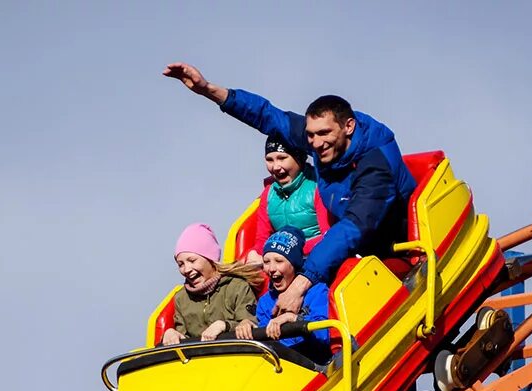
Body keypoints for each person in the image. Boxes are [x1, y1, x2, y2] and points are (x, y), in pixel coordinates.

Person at [163, 61, 416, 317]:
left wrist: (301, 282)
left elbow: (354, 227)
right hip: (348, 244)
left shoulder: (376, 165)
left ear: (348, 127)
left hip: (391, 247)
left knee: (320, 284)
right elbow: (268, 116)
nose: (316, 144)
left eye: (324, 133)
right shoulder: (321, 142)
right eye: (311, 135)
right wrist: (208, 89)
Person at [235, 227, 331, 363]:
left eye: (279, 261)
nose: (271, 269)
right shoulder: (265, 302)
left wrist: (293, 318)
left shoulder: (317, 292)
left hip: (313, 365)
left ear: (294, 264)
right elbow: (265, 342)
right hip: (280, 365)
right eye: (266, 262)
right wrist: (247, 325)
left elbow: (324, 336)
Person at [161, 223, 263, 346]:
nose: (186, 269)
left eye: (192, 261)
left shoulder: (236, 287)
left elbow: (250, 324)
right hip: (200, 361)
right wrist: (171, 334)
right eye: (180, 264)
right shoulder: (181, 298)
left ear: (210, 258)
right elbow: (184, 341)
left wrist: (224, 326)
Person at [245, 134, 329, 266]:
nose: (275, 167)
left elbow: (328, 236)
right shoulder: (268, 194)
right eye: (270, 160)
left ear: (299, 158)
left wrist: (288, 252)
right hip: (282, 263)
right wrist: (255, 252)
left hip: (317, 258)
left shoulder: (318, 186)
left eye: (282, 158)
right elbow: (262, 238)